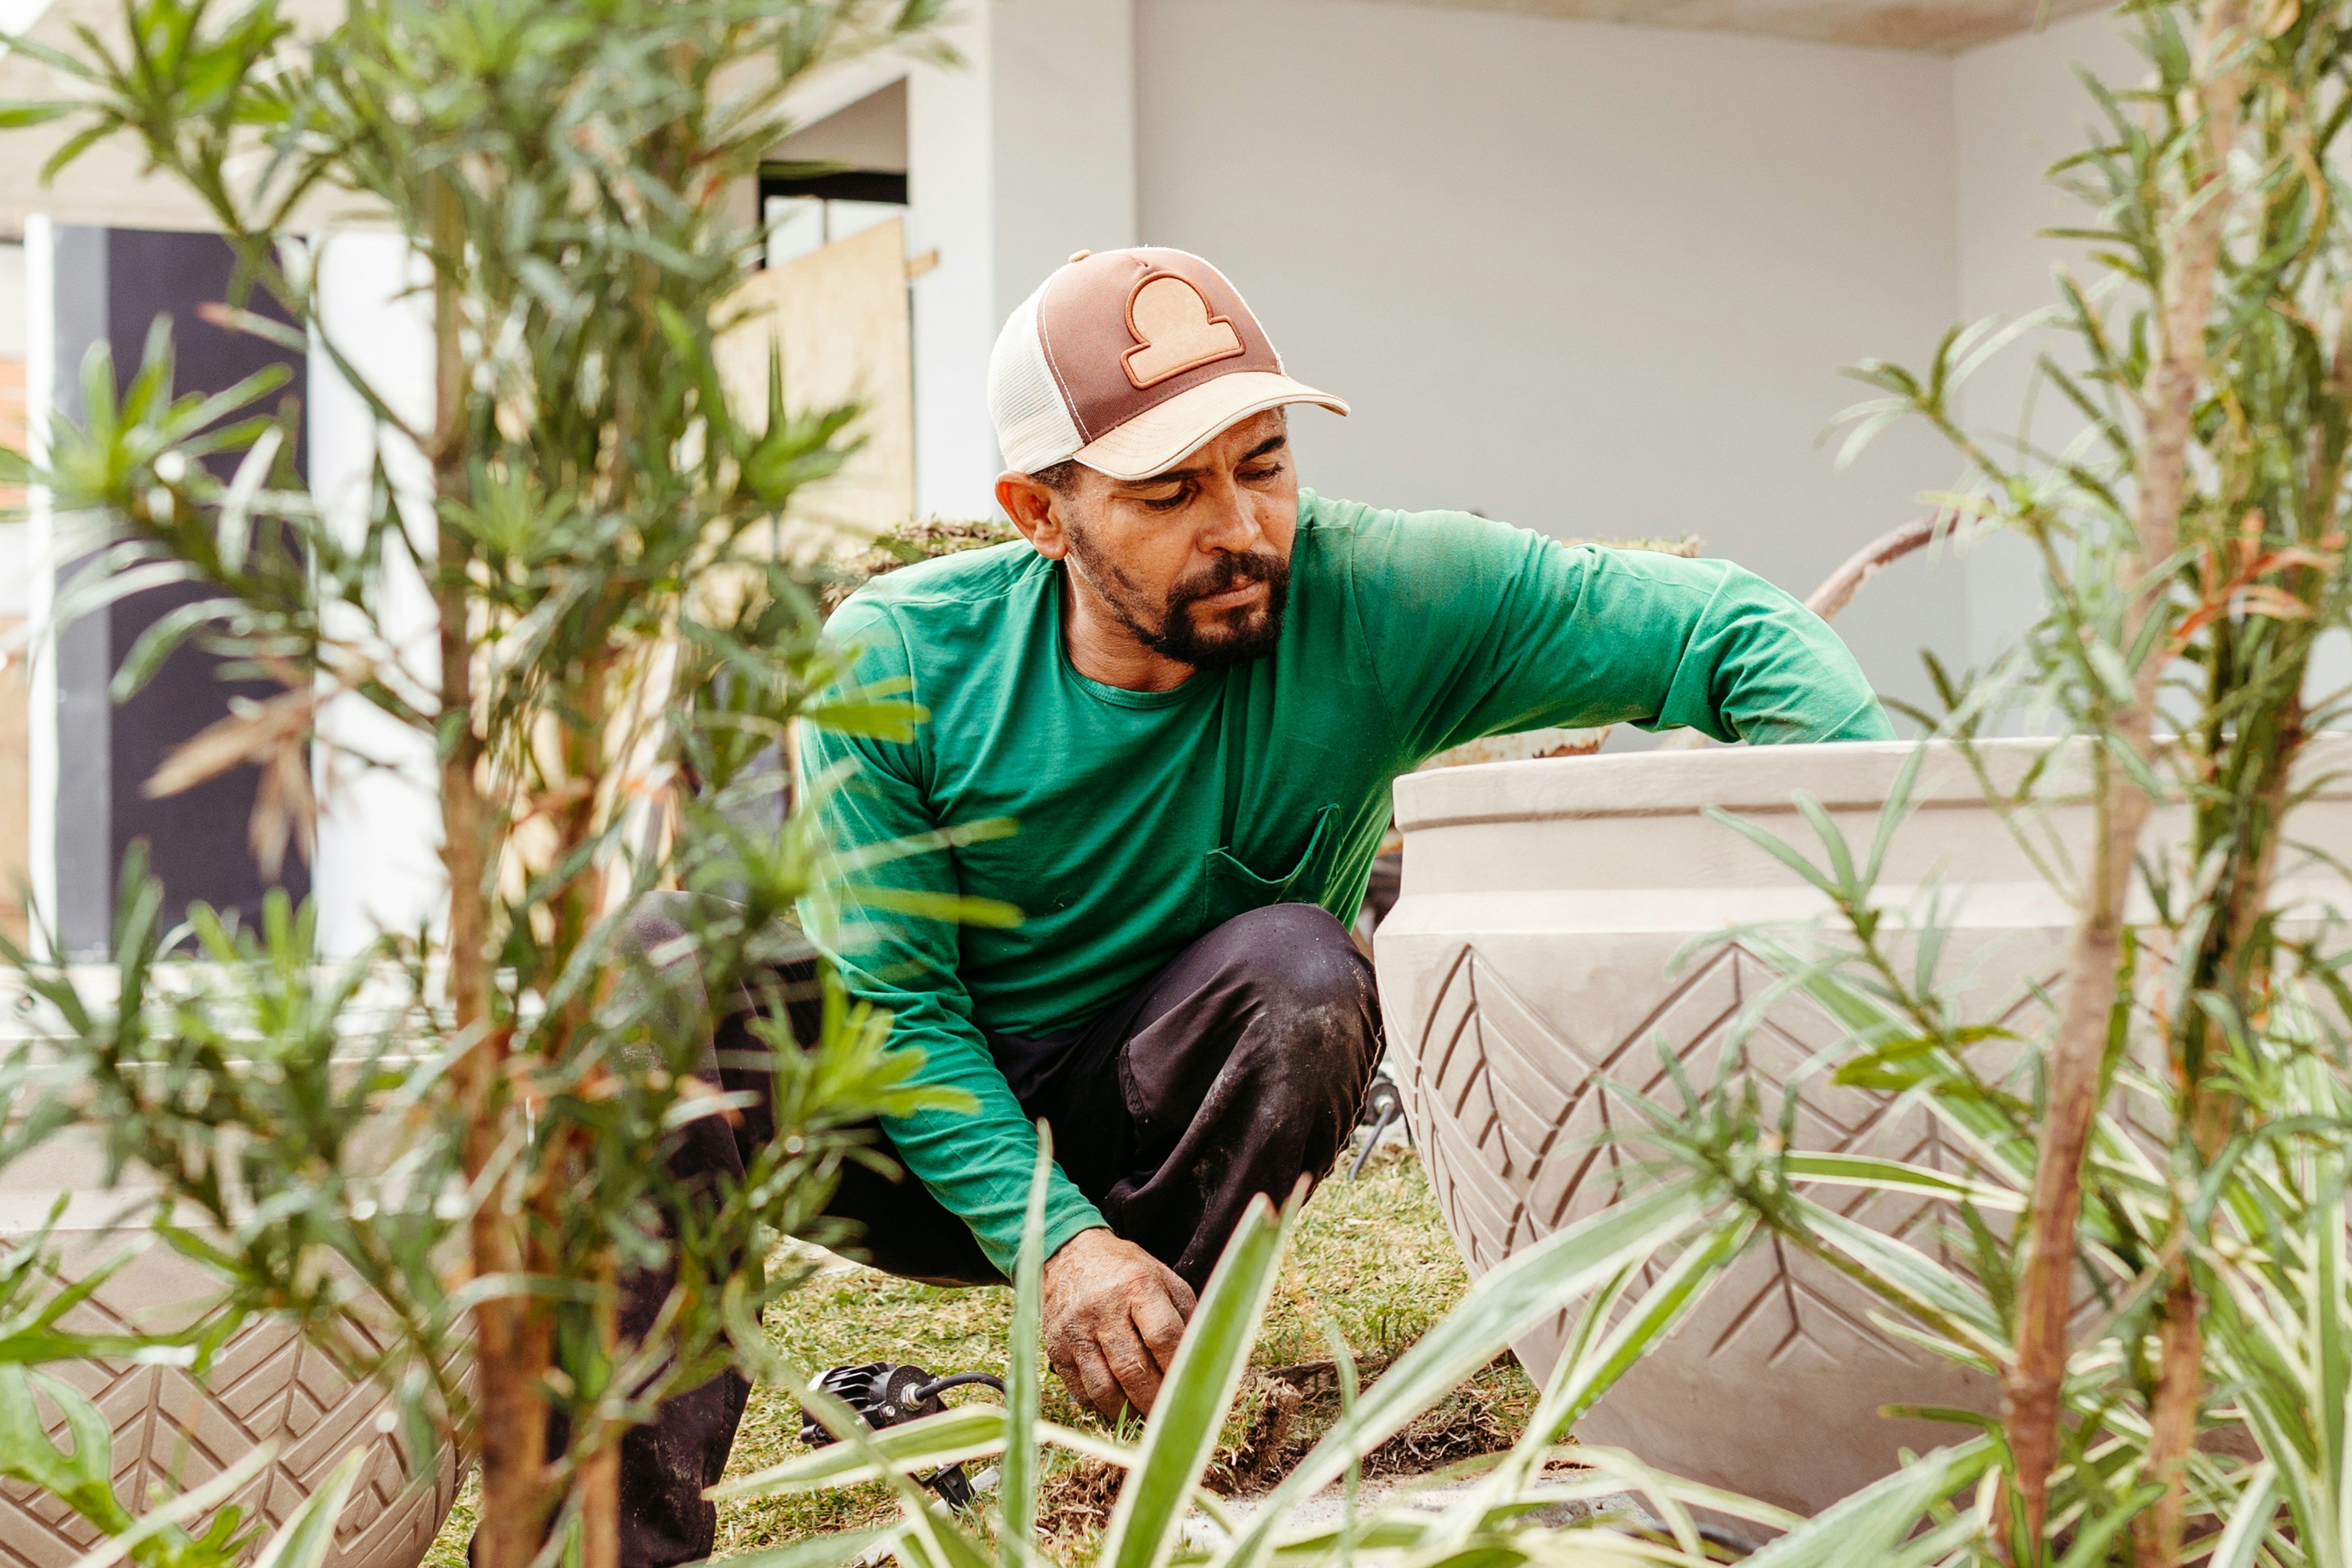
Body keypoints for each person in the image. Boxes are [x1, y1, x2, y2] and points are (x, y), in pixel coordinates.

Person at [613, 246, 1892, 1565]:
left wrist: (1891, 900)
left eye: (1264, 465)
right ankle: (614, 1545)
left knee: (1304, 970)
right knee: (650, 966)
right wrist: (1055, 1245)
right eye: (1168, 491)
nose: (1239, 528)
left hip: (1149, 1125)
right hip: (881, 1143)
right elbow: (898, 1008)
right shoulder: (900, 658)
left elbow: (1726, 627)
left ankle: (1149, 1419)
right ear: (1039, 517)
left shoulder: (1374, 600)